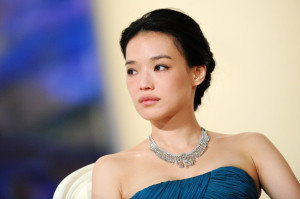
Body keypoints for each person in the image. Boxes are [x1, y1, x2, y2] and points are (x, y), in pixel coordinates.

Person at [92, 8, 300, 199]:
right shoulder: (112, 169)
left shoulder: (252, 147)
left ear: (197, 73)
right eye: (132, 71)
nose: (143, 84)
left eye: (160, 67)